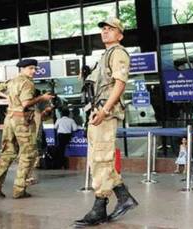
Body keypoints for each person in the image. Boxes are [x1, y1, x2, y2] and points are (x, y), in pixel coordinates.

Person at [75, 17, 138, 227]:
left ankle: (99, 208)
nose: (105, 32)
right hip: (97, 113)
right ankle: (124, 197)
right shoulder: (105, 56)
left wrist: (105, 109)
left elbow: (120, 84)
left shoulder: (118, 52)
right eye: (103, 29)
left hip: (105, 113)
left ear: (119, 34)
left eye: (111, 29)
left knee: (102, 159)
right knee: (99, 159)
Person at [0, 59, 54, 199]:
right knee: (28, 153)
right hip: (22, 121)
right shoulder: (27, 83)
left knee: (7, 153)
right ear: (22, 69)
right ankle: (19, 189)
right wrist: (42, 97)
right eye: (30, 68)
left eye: (34, 68)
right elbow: (26, 103)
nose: (34, 71)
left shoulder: (12, 81)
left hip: (9, 118)